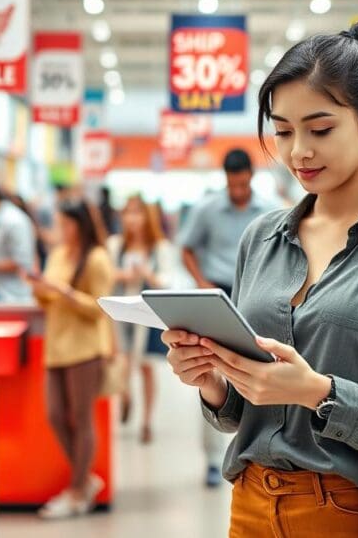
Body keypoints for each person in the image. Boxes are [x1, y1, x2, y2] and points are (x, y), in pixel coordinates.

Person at [163, 22, 358, 537]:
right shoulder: (261, 238)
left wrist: (322, 394)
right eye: (284, 131)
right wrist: (214, 382)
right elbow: (243, 412)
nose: (298, 153)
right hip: (249, 507)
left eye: (321, 129)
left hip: (356, 514)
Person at [178, 148, 275, 487]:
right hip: (217, 293)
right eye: (232, 184)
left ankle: (254, 447)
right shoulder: (207, 209)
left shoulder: (269, 210)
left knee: (253, 369)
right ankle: (211, 458)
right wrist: (201, 282)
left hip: (254, 294)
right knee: (210, 372)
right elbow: (186, 248)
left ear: (251, 176)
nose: (237, 190)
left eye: (242, 183)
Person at [26, 199, 114, 520]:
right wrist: (39, 288)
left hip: (86, 348)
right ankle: (85, 481)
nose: (60, 230)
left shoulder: (97, 257)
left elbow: (100, 307)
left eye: (66, 223)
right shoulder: (59, 254)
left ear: (80, 224)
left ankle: (77, 491)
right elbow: (47, 299)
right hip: (57, 347)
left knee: (81, 417)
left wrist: (63, 291)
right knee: (55, 414)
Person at [107, 195, 176, 444]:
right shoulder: (115, 245)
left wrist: (148, 274)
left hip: (146, 315)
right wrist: (123, 275)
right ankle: (125, 396)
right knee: (122, 361)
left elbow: (167, 281)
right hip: (119, 312)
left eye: (137, 212)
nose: (132, 219)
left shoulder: (160, 247)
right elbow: (104, 273)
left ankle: (146, 422)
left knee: (146, 366)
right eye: (127, 213)